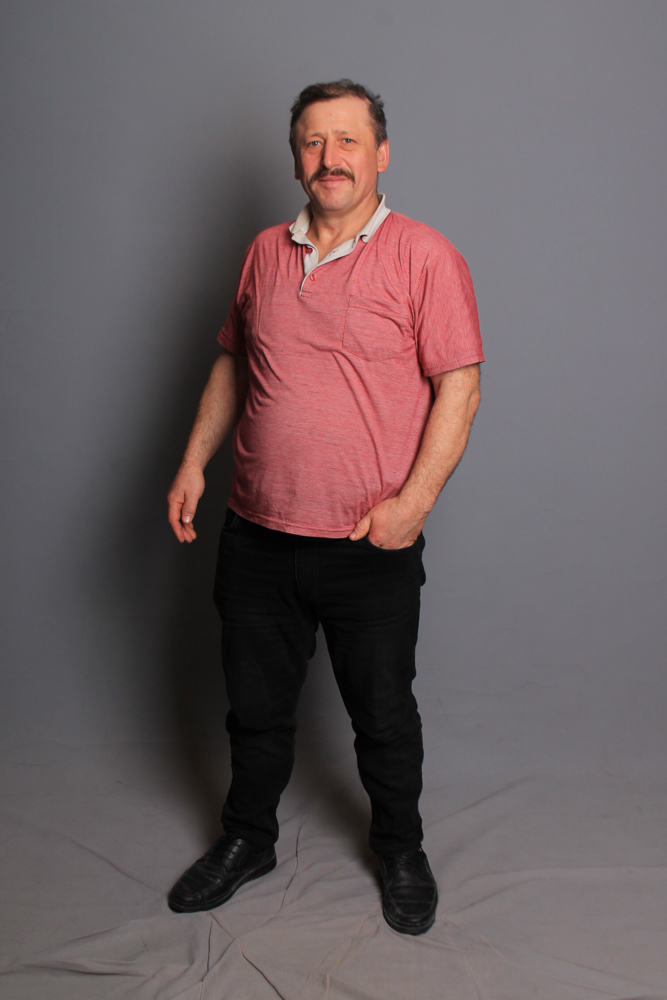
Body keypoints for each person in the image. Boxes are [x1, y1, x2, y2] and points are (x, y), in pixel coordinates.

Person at [166, 80, 484, 935]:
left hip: (367, 544)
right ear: (294, 157)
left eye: (347, 140)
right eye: (313, 141)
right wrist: (193, 462)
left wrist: (411, 506)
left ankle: (401, 849)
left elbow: (459, 387)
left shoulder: (425, 256)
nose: (329, 157)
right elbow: (234, 361)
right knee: (254, 710)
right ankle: (247, 839)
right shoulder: (264, 252)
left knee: (381, 714)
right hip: (255, 535)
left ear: (380, 153)